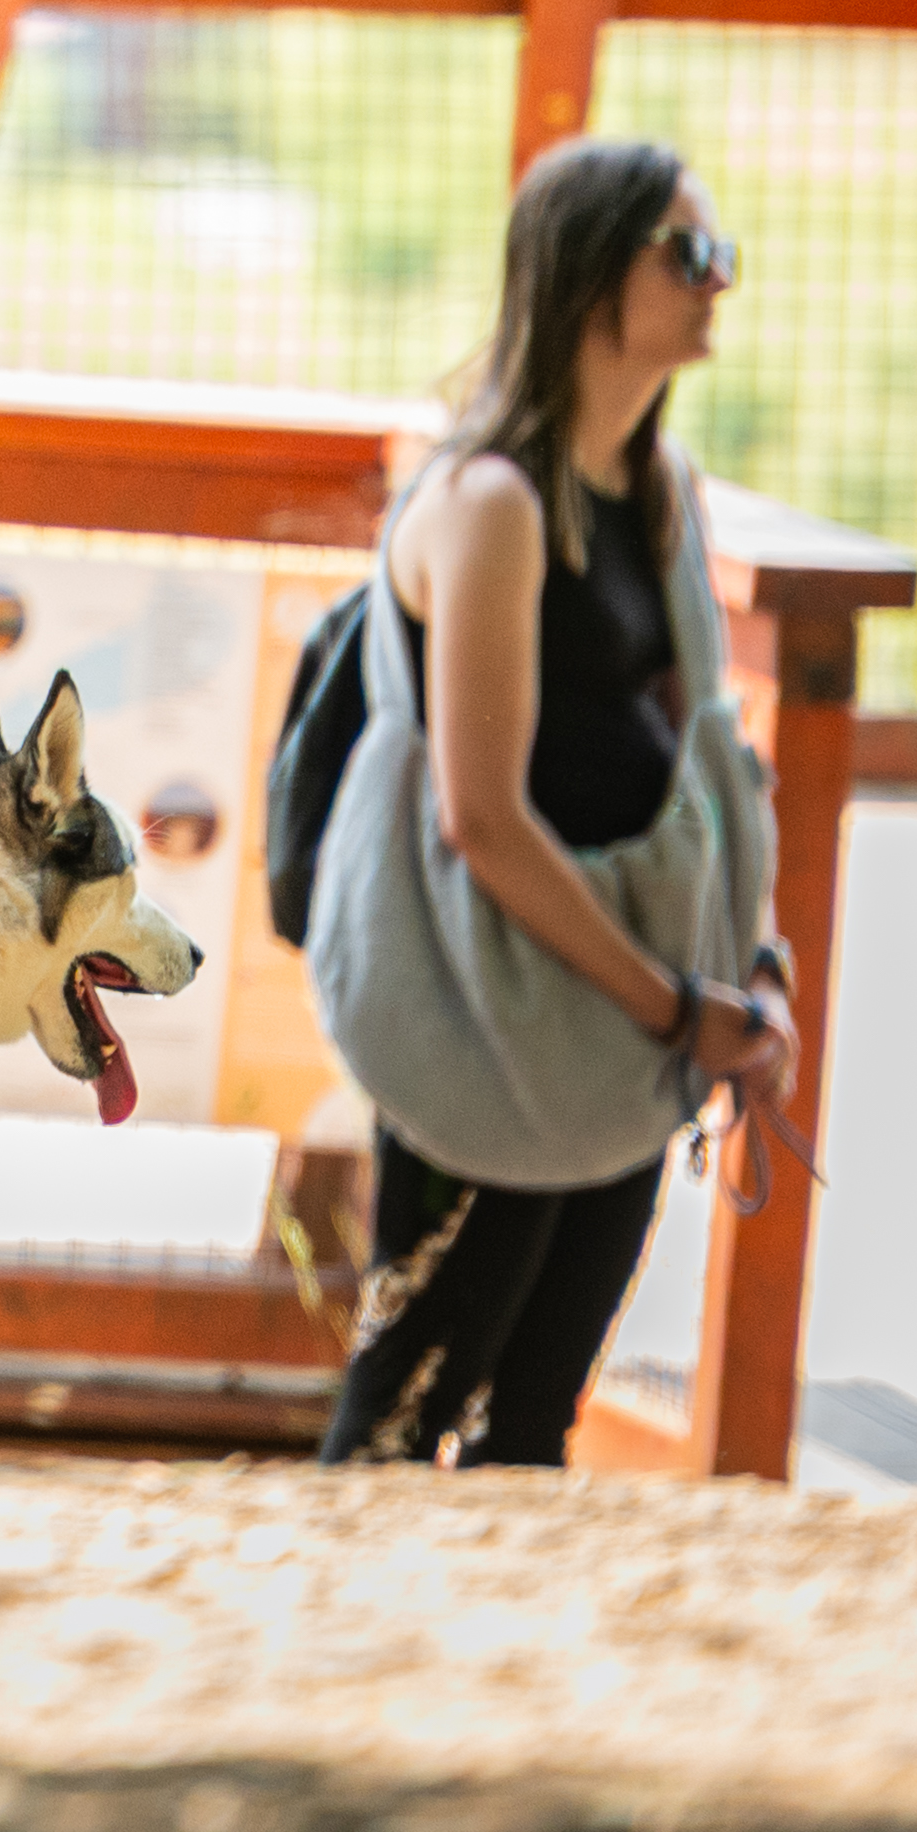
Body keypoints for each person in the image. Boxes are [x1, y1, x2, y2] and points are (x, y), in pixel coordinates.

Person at [323, 134, 798, 1468]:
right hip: (497, 1003)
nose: (720, 282)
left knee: (533, 1424)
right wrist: (673, 1003)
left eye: (722, 255)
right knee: (405, 1414)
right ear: (595, 278)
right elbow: (482, 819)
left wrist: (745, 965)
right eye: (689, 255)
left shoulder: (656, 487)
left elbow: (687, 748)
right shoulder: (492, 506)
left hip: (619, 1012)